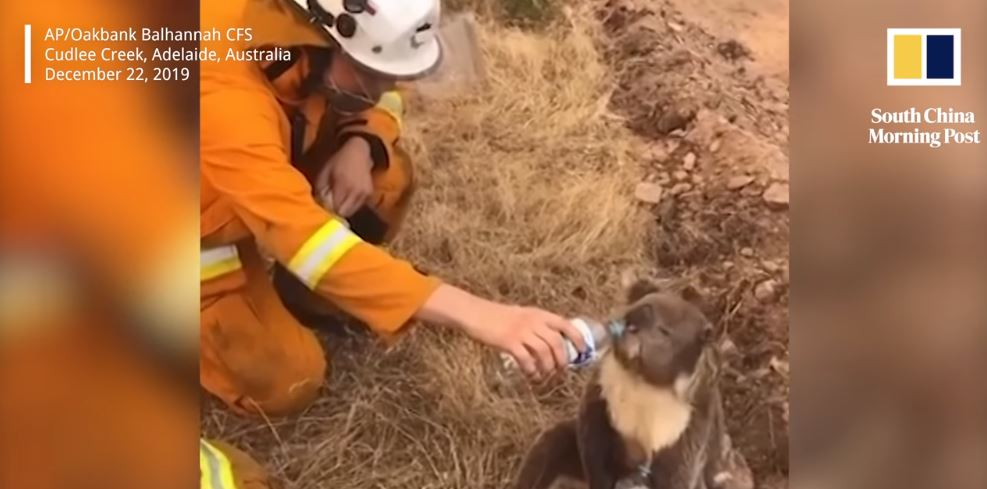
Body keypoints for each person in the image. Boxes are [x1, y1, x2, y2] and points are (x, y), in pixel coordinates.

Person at [200, 0, 587, 419]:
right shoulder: (225, 101)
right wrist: (484, 316)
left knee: (386, 179)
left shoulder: (297, 36)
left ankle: (307, 301)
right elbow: (303, 240)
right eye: (371, 75)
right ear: (316, 41)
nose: (384, 89)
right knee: (287, 382)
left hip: (254, 168)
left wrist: (361, 141)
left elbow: (379, 80)